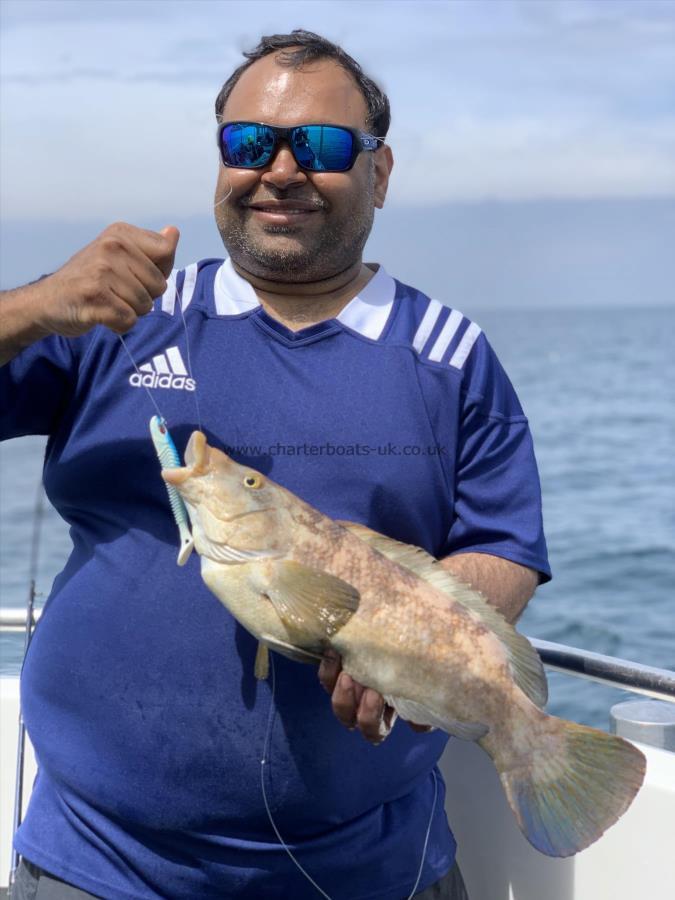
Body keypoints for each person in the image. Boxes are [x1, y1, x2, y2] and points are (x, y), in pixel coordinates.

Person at [0, 30, 550, 900]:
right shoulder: (115, 314)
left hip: (373, 872)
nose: (281, 170)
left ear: (380, 171)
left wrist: (419, 642)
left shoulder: (449, 355)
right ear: (220, 161)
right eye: (249, 143)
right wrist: (31, 306)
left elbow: (504, 545)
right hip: (91, 867)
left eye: (322, 146)